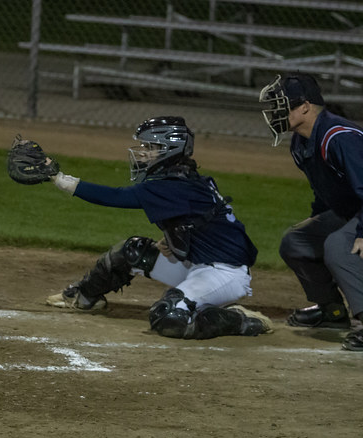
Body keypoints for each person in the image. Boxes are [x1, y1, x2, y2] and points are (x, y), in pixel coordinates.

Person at [44, 116, 272, 340]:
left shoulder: (173, 186)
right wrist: (174, 240)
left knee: (169, 317)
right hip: (197, 263)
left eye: (150, 147)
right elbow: (199, 223)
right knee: (133, 251)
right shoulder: (182, 179)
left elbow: (114, 196)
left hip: (224, 274)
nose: (142, 152)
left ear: (169, 150)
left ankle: (239, 319)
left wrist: (59, 179)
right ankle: (84, 297)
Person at [259, 73, 363, 352]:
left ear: (305, 107)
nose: (276, 114)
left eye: (282, 106)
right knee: (296, 240)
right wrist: (318, 217)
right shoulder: (300, 142)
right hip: (354, 211)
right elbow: (326, 190)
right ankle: (332, 312)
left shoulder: (339, 138)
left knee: (338, 246)